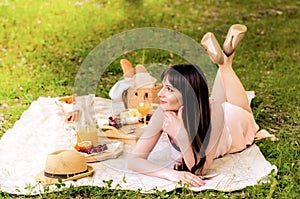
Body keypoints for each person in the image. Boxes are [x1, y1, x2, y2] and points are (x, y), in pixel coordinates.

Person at [128, 24, 274, 187]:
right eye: (163, 86)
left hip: (234, 124)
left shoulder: (214, 113)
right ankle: (225, 57)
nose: (160, 94)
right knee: (219, 98)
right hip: (207, 109)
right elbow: (134, 160)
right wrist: (169, 174)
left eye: (169, 89)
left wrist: (181, 135)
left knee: (245, 113)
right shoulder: (164, 112)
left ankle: (225, 61)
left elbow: (199, 170)